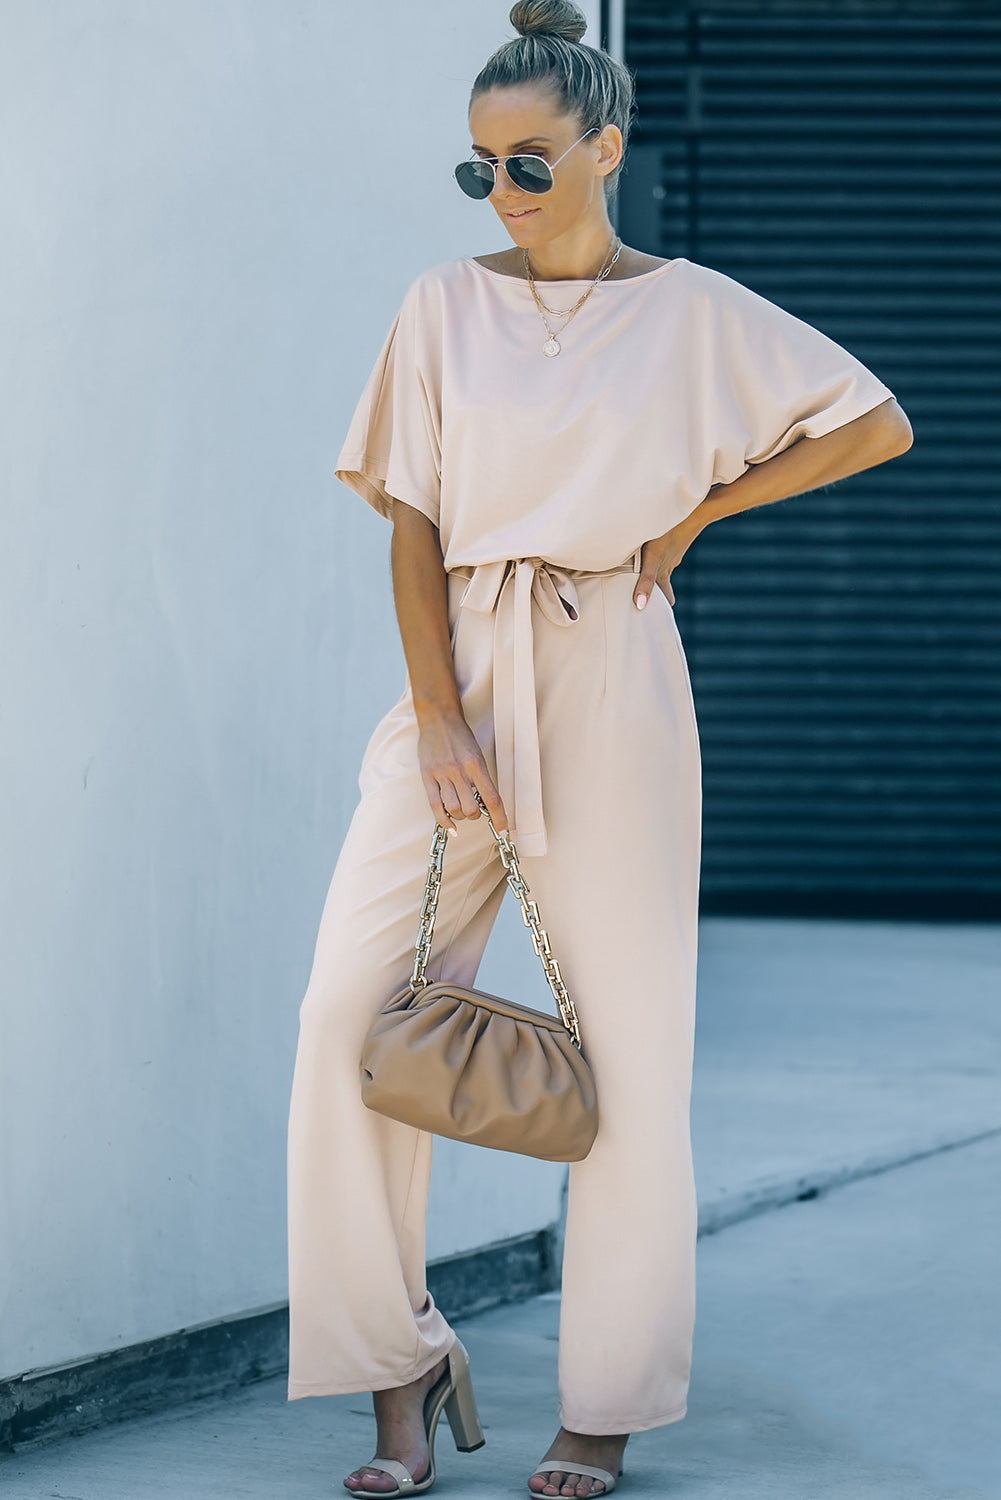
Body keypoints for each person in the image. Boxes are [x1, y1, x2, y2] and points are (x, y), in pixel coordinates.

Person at [285, 2, 913, 1496]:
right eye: (479, 169)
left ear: (603, 148)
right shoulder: (442, 305)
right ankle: (398, 1363)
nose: (502, 191)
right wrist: (436, 714)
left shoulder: (692, 311)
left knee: (629, 1061)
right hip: (461, 676)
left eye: (529, 163)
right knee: (344, 1026)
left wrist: (695, 513)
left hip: (614, 678)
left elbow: (871, 423)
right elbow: (415, 522)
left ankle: (604, 1407)